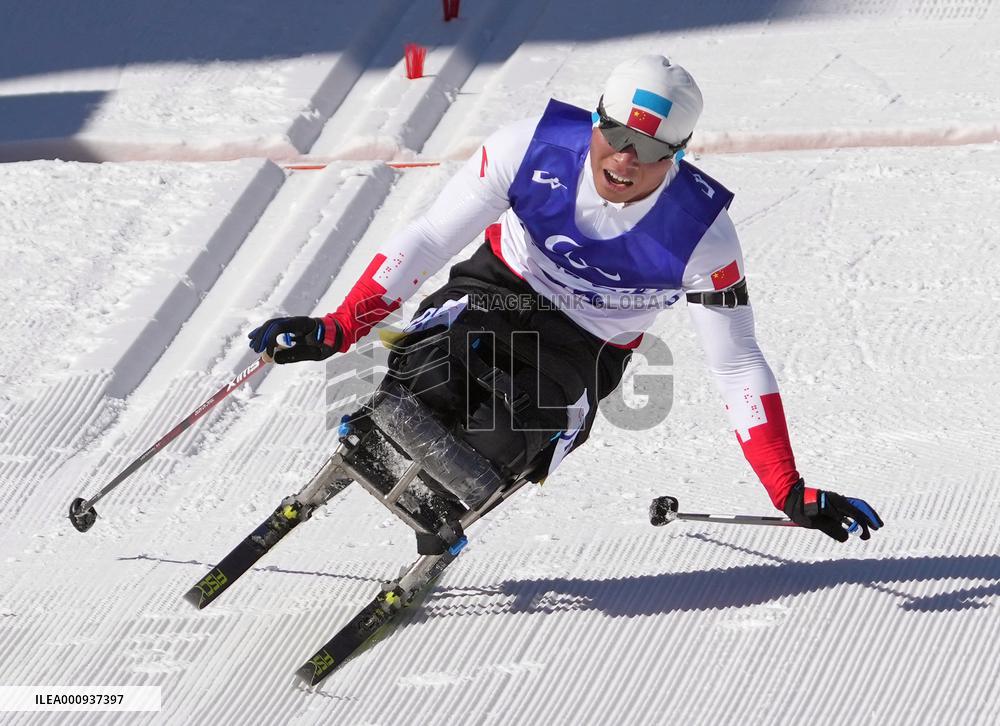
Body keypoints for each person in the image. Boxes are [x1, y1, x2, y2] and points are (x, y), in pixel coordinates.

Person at [248, 55, 883, 542]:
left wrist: (786, 486)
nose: (626, 160)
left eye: (651, 149)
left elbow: (737, 362)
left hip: (587, 343)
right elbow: (430, 238)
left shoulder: (703, 237)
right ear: (595, 119)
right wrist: (338, 327)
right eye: (616, 134)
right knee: (435, 375)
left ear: (678, 154)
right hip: (499, 289)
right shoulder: (527, 148)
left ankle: (448, 500)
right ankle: (398, 431)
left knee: (504, 433)